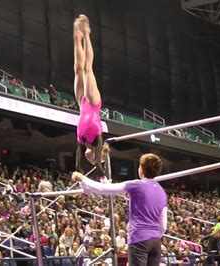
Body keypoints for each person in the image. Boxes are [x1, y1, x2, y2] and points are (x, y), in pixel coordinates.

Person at [72, 153, 168, 265]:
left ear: (141, 169)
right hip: (155, 242)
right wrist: (153, 235)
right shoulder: (162, 192)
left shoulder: (137, 185)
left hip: (139, 238)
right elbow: (163, 226)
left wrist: (82, 178)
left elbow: (103, 188)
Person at [73, 15, 106, 177]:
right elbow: (99, 166)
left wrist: (81, 175)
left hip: (81, 103)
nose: (90, 159)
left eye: (90, 161)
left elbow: (78, 165)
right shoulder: (97, 139)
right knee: (87, 69)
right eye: (93, 159)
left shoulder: (81, 142)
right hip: (93, 103)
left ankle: (77, 38)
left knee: (78, 69)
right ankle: (86, 34)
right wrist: (103, 178)